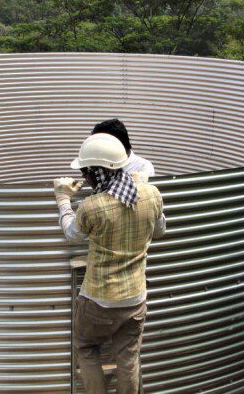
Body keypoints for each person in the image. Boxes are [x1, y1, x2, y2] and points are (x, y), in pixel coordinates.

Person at [53, 133, 166, 392]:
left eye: (85, 172)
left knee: (86, 347)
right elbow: (159, 230)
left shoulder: (92, 207)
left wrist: (62, 199)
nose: (84, 178)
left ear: (96, 172)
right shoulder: (151, 194)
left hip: (98, 299)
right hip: (135, 299)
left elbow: (72, 234)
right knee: (128, 356)